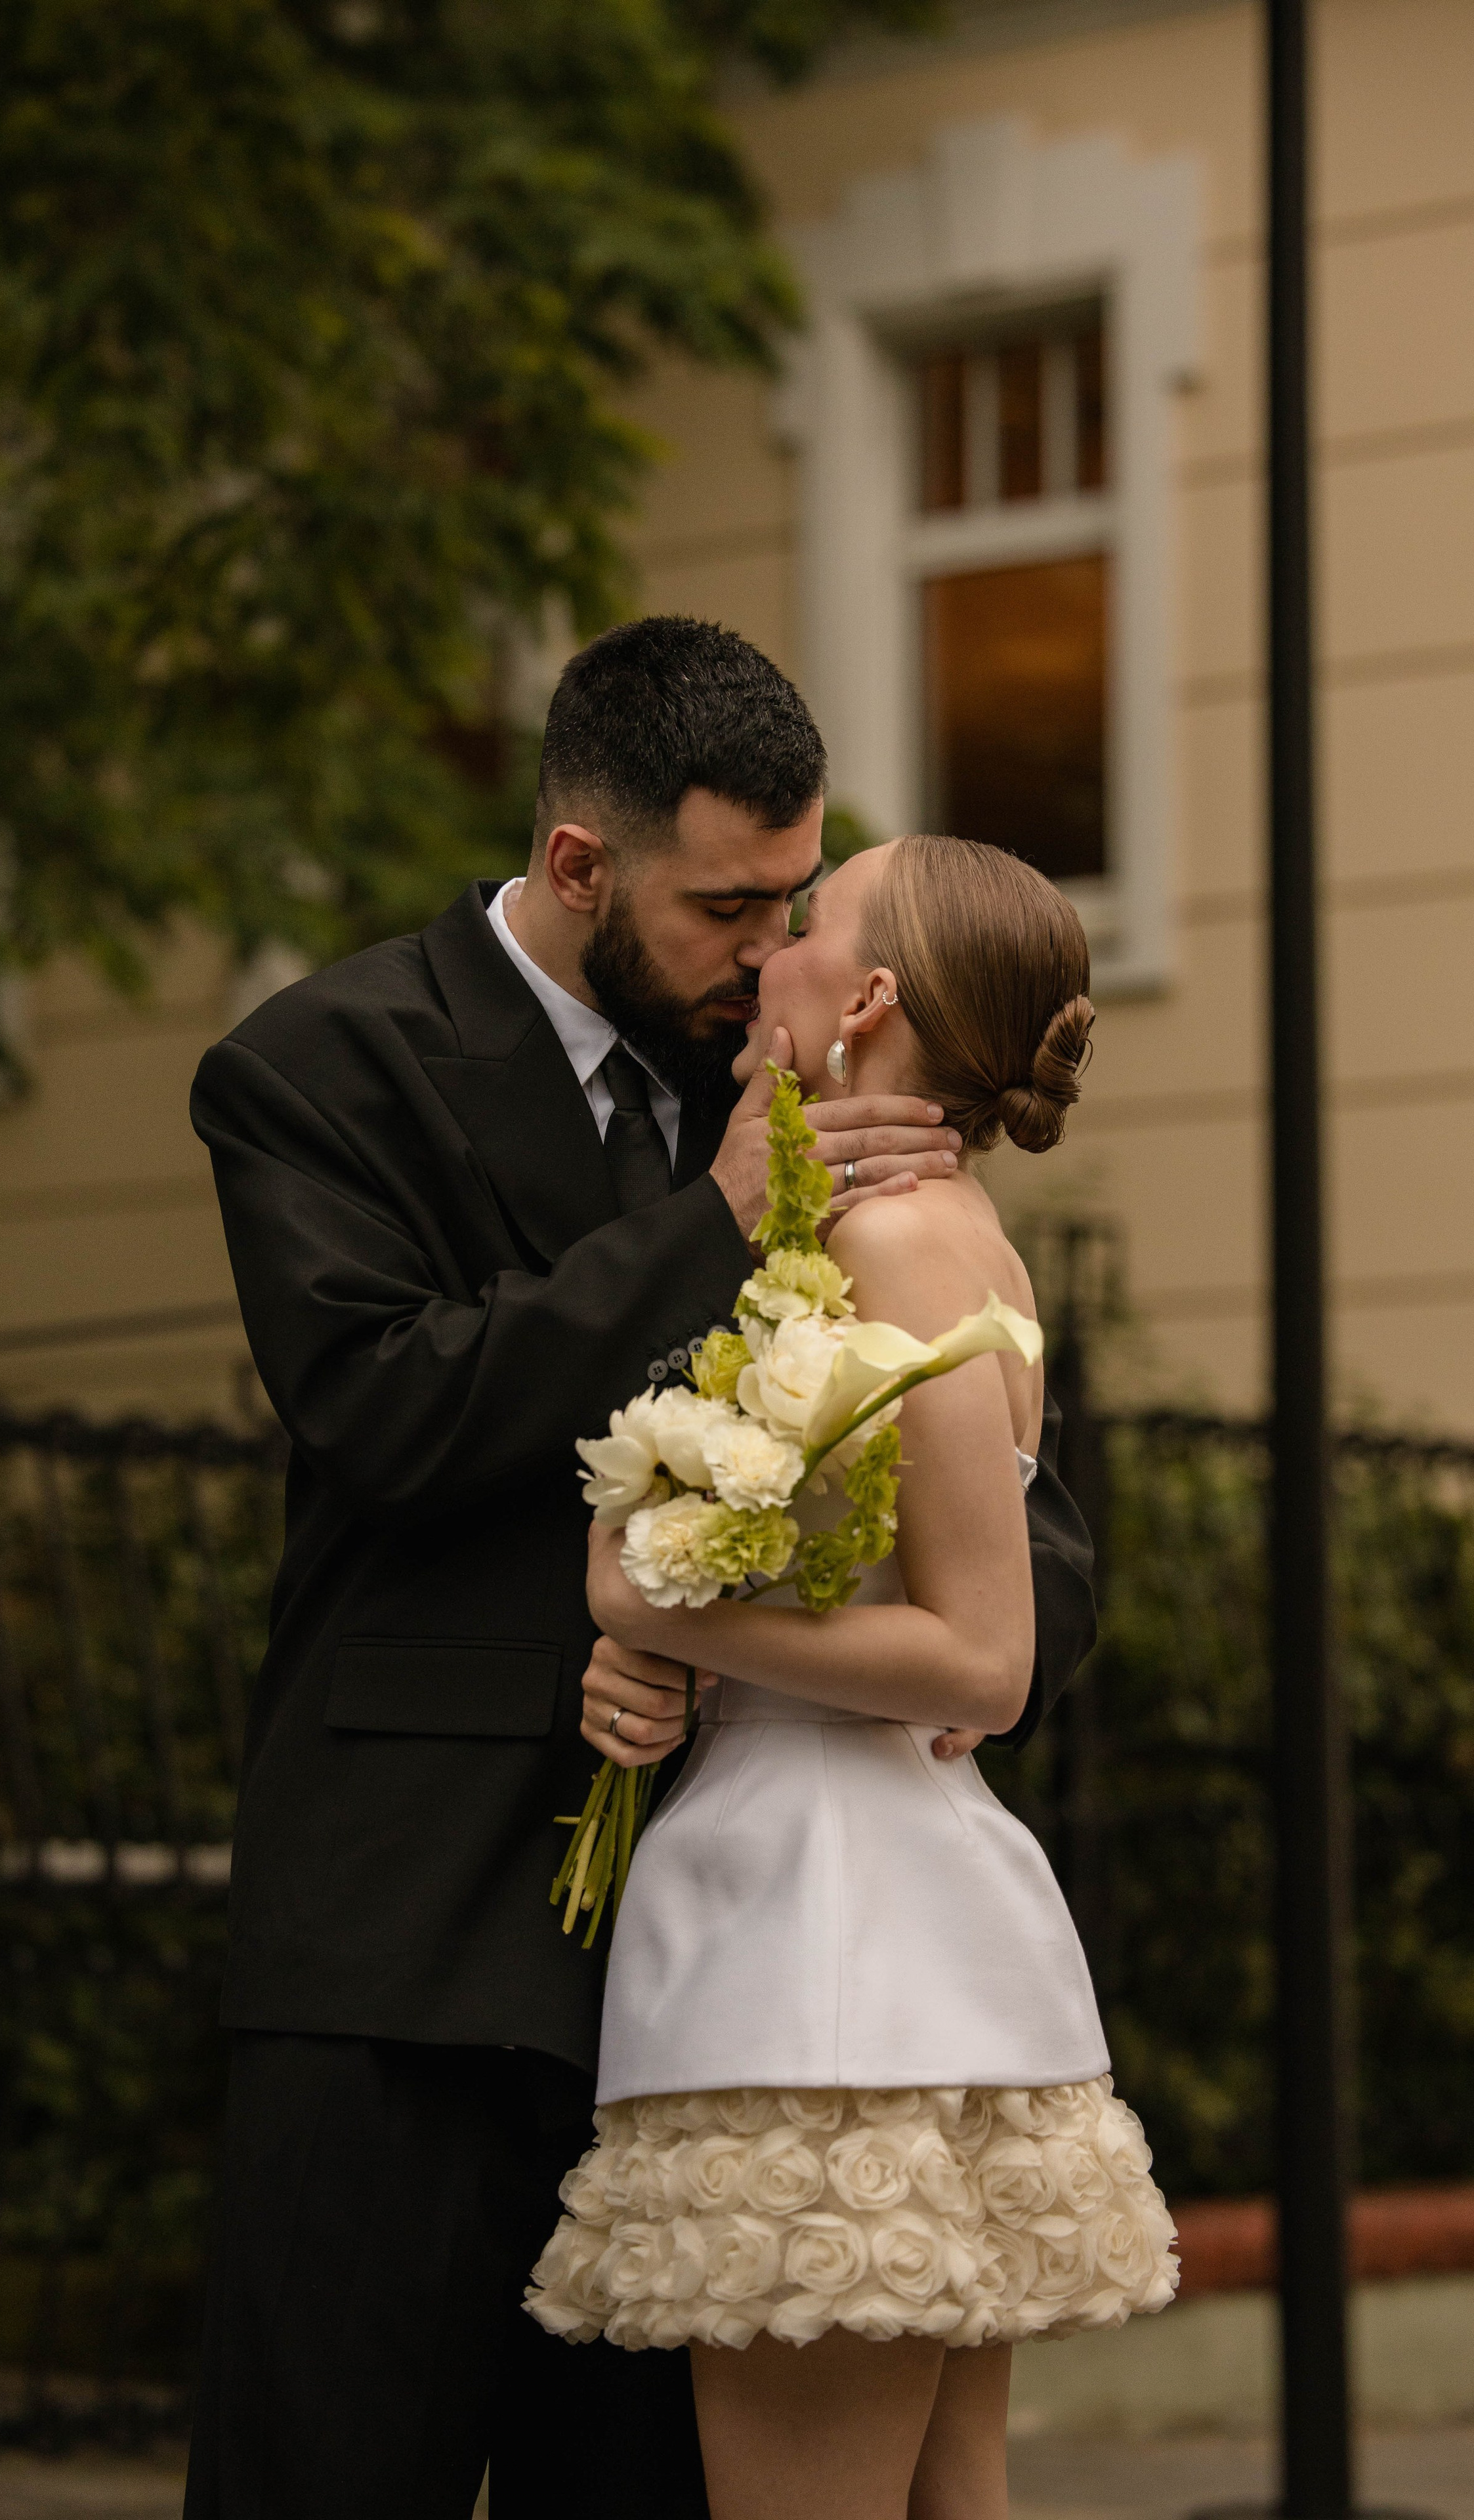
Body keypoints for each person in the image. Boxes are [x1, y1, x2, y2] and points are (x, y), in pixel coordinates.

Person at [184, 619, 1099, 2519]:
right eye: (727, 909)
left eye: (795, 901)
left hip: (730, 1982)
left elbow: (1023, 1531)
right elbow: (389, 1412)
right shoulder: (320, 1068)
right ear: (580, 863)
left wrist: (844, 1648)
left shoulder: (792, 1066)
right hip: (407, 1952)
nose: (768, 953)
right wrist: (713, 1223)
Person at [526, 832, 1177, 2520]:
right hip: (881, 1908)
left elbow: (982, 1653)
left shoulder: (892, 1247)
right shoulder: (933, 1236)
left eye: (807, 923)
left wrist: (649, 1601)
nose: (771, 952)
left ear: (870, 995)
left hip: (820, 1942)